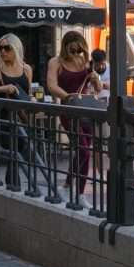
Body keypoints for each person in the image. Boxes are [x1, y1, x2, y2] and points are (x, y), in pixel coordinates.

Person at [0, 34, 49, 191]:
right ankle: (14, 185)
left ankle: (13, 185)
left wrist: (32, 98)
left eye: (7, 48)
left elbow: (28, 91)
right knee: (13, 152)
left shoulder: (26, 69)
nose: (3, 51)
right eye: (0, 48)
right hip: (2, 118)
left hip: (21, 117)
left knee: (19, 151)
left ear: (16, 49)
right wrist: (0, 88)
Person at [47, 31, 102, 208]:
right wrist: (68, 98)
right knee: (84, 150)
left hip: (86, 110)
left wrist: (95, 78)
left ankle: (79, 194)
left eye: (79, 50)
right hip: (69, 110)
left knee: (84, 151)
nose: (76, 53)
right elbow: (52, 86)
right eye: (72, 50)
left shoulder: (84, 61)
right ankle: (67, 186)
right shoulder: (55, 62)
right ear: (65, 47)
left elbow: (98, 89)